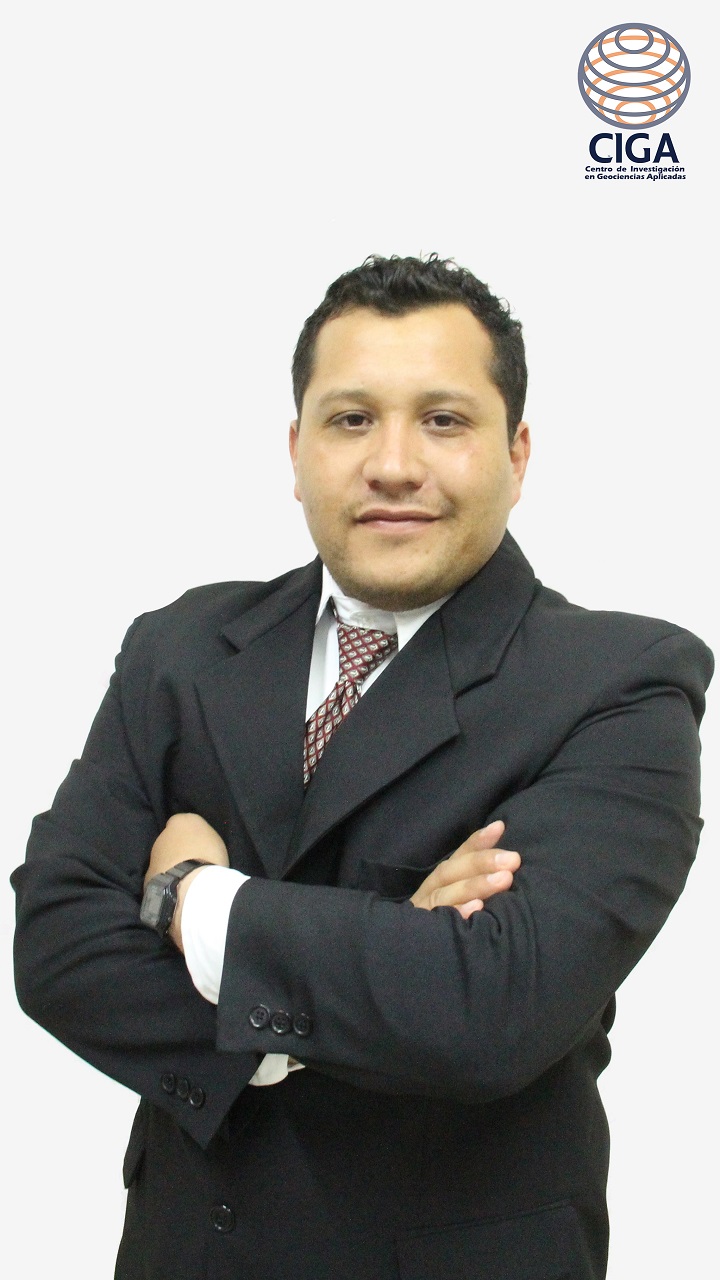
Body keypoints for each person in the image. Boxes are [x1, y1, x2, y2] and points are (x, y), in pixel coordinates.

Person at [12, 254, 713, 1280]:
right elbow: (56, 945)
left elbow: (492, 1011)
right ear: (296, 450)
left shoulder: (621, 682)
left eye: (443, 419)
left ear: (517, 452)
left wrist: (190, 898)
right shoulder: (180, 647)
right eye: (350, 419)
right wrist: (376, 967)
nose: (392, 463)